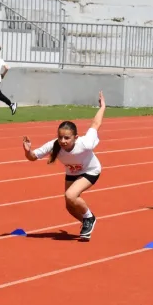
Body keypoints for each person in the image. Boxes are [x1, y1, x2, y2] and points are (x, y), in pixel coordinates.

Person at [22, 91, 105, 240]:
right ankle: (87, 222)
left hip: (91, 170)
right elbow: (33, 157)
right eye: (60, 137)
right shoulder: (54, 145)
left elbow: (95, 123)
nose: (63, 140)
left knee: (70, 195)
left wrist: (103, 106)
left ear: (75, 137)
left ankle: (89, 218)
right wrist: (27, 151)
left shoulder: (85, 143)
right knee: (69, 205)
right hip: (72, 172)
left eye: (67, 138)